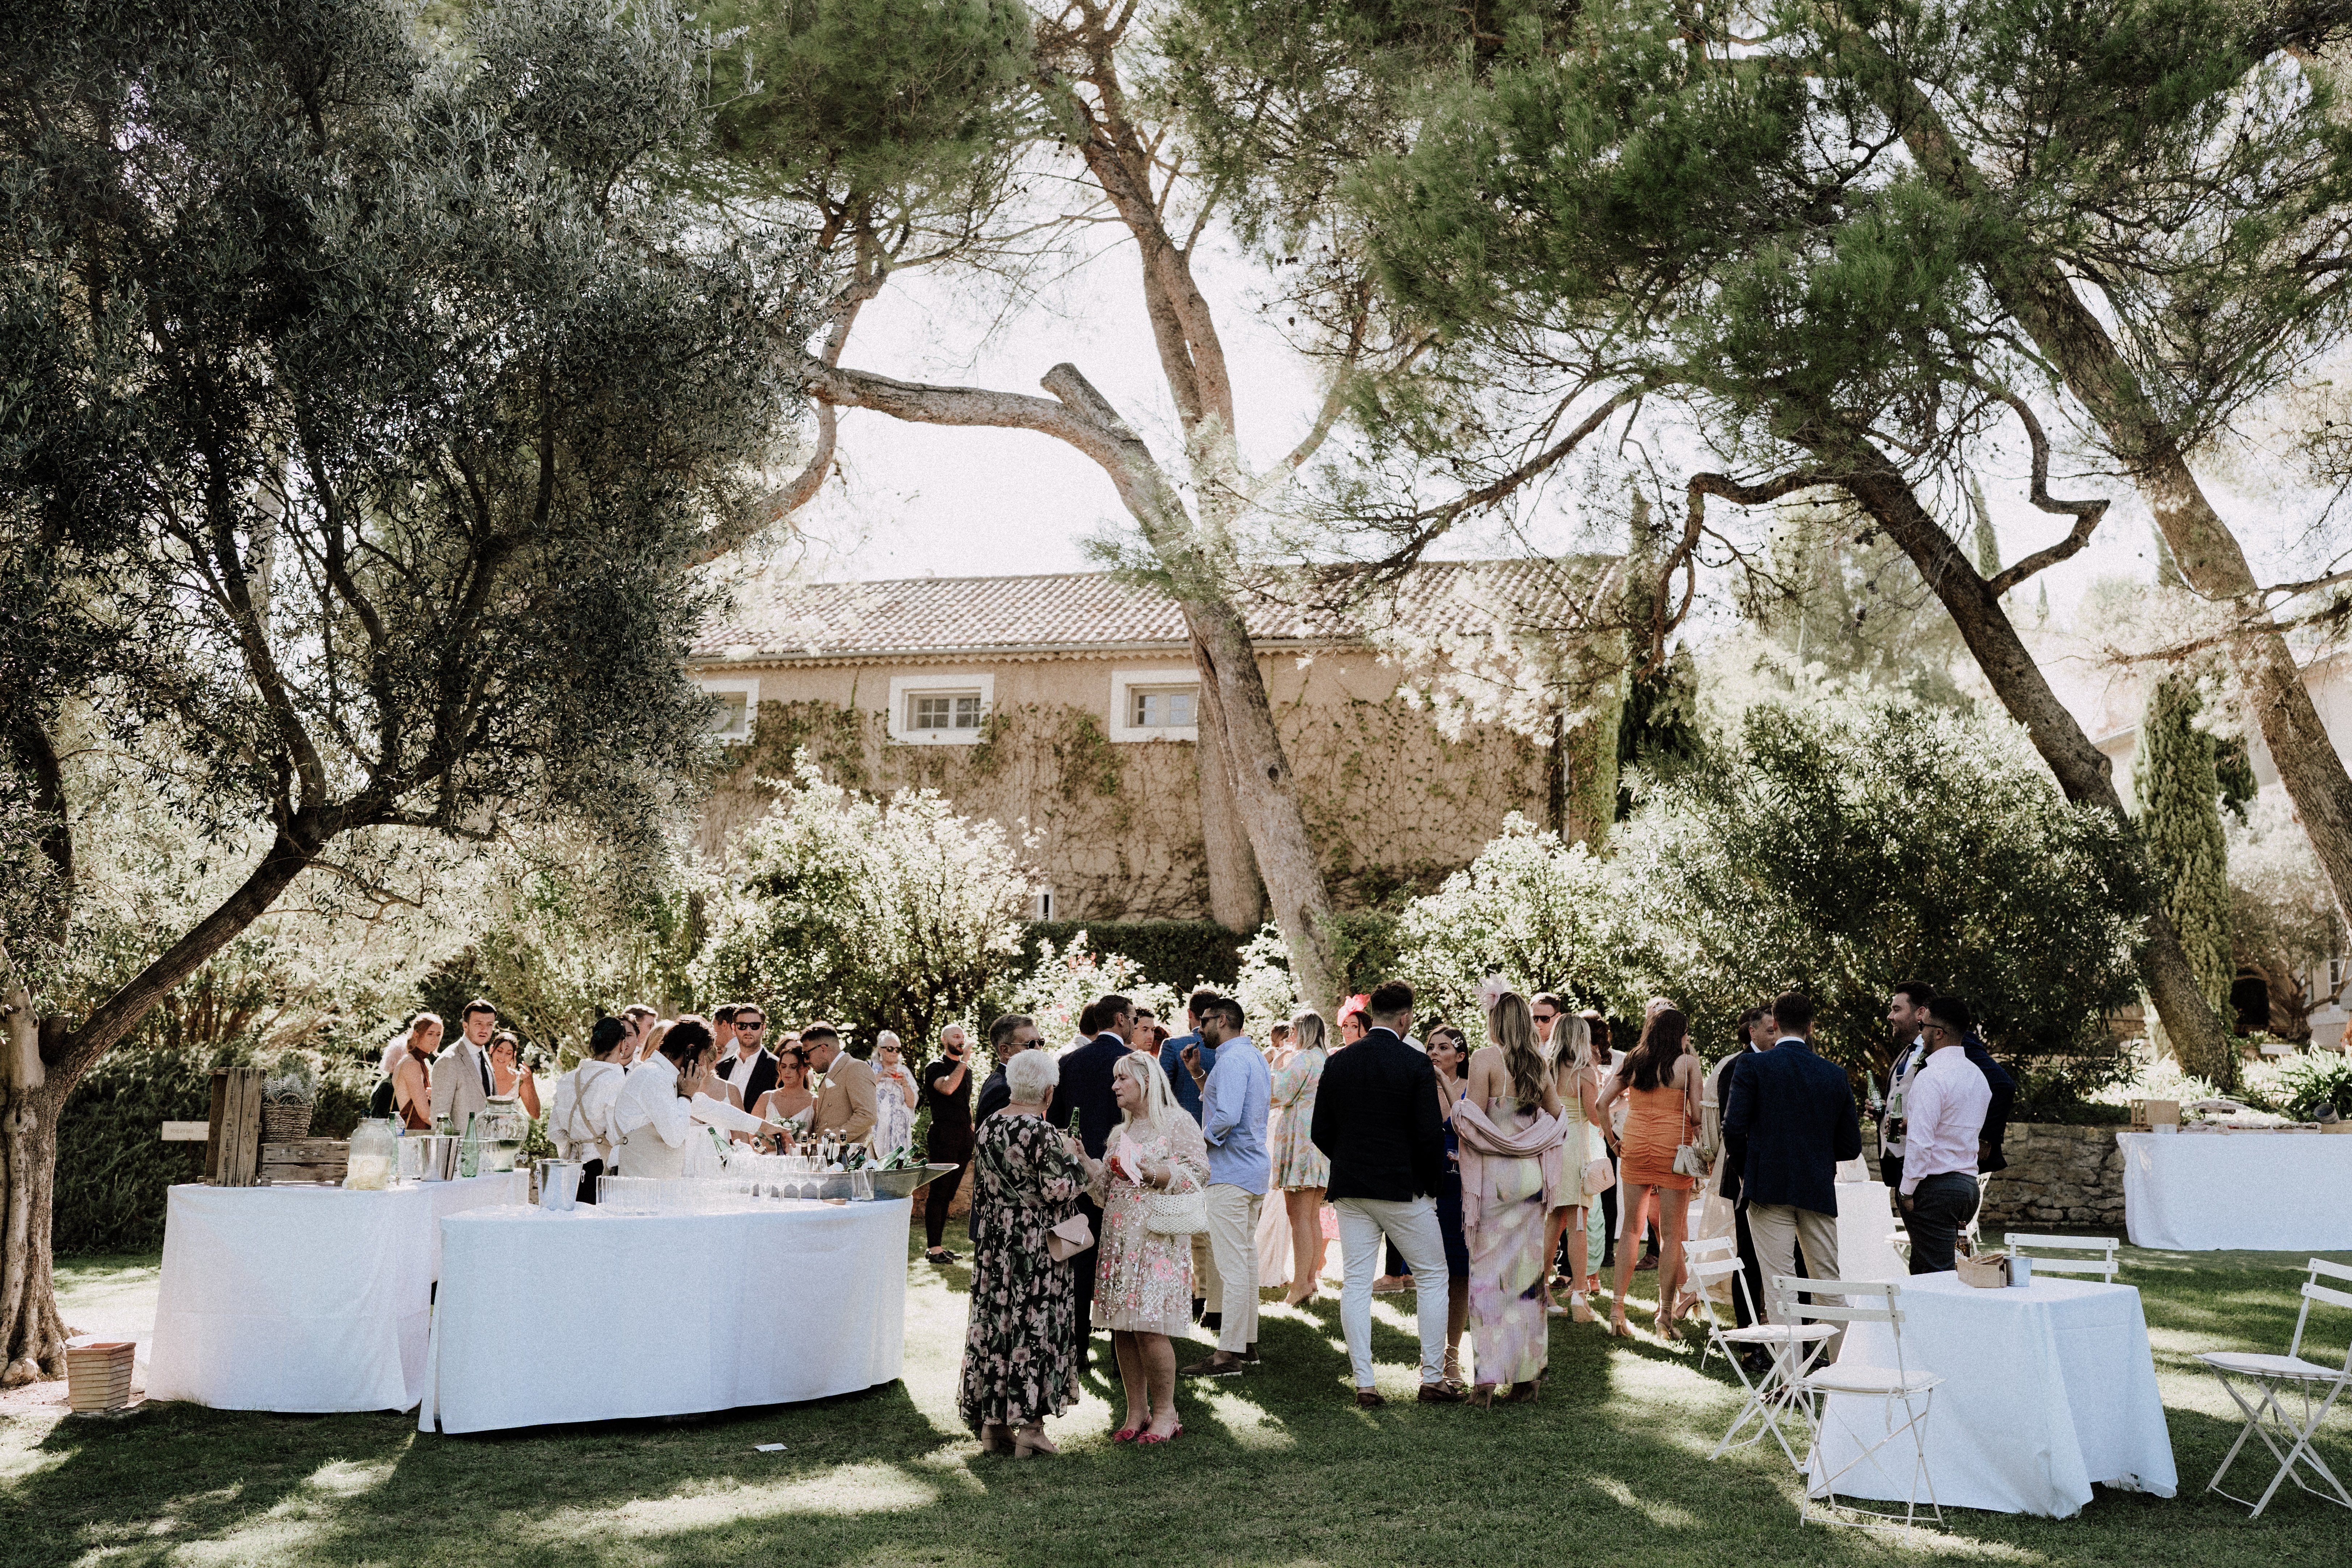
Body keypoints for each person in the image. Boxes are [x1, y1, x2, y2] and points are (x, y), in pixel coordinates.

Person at [1310, 981, 1464, 1407]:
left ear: (1372, 1013)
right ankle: (1432, 1378)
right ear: (1405, 1018)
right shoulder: (1414, 1063)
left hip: (1351, 1187)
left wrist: (1349, 1160)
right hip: (1403, 1188)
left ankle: (1365, 1383)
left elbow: (1319, 1130)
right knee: (1433, 1275)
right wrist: (1432, 1184)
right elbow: (1427, 1133)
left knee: (1356, 1282)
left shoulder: (1338, 1062)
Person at [957, 1045, 1103, 1458]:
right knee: (1034, 1326)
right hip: (1037, 1246)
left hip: (996, 1244)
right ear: (1048, 1091)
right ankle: (1032, 1428)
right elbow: (1058, 1189)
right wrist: (1076, 1161)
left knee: (997, 1327)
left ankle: (993, 1426)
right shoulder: (1041, 1132)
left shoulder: (986, 1127)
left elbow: (983, 1191)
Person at [1722, 992, 1862, 1344]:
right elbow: (1850, 1147)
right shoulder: (1833, 1074)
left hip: (1767, 1188)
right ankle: (1841, 1380)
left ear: (1775, 1024)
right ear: (1811, 1027)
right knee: (1827, 1285)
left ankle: (1791, 1385)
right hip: (1815, 1187)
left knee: (1779, 1286)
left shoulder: (1753, 1066)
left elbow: (1733, 1129)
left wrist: (1745, 1172)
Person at [1093, 1051, 1209, 1443]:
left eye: (1122, 1078)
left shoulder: (1176, 1121)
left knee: (1148, 1327)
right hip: (1119, 1239)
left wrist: (1152, 1173)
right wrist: (1086, 1164)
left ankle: (1166, 1413)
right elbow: (1103, 1193)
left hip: (1157, 1238)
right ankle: (1135, 1410)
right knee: (1123, 1329)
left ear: (1146, 1080)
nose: (1115, 1085)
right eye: (1114, 1079)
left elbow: (1198, 1173)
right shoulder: (1118, 1132)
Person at [1455, 994, 1566, 1402]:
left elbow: (1473, 1119)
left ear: (1495, 1022)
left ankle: (1485, 1383)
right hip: (1529, 1176)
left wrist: (1460, 1114)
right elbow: (1557, 1116)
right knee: (1526, 1280)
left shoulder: (1484, 1059)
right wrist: (1529, 1138)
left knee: (1488, 1278)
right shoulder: (1537, 1063)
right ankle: (1527, 1380)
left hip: (1496, 1178)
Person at [1177, 995, 1270, 1378]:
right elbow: (1230, 1105)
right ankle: (1245, 1344)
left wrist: (1195, 1146)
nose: (1199, 1029)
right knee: (1245, 1261)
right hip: (1251, 1172)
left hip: (1229, 1173)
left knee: (1232, 1265)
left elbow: (1227, 1117)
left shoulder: (1231, 1060)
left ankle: (1228, 1354)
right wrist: (1198, 1075)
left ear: (1224, 1020)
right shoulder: (1252, 1056)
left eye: (1205, 1021)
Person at [1597, 1006, 1703, 1336]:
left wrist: (1614, 1143)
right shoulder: (1687, 1063)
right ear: (1680, 1033)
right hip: (1674, 1148)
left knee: (1631, 1227)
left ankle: (1617, 1310)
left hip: (1636, 1145)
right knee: (1672, 1234)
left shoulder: (1634, 1059)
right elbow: (1698, 1115)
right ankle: (1665, 1317)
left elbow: (1602, 1105)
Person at [1056, 996, 1135, 1383]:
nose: (1135, 1025)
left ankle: (1076, 1350)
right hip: (1124, 1177)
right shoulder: (1133, 1065)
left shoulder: (1068, 1062)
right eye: (1134, 1019)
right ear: (1120, 1020)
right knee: (1121, 1263)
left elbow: (1055, 1125)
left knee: (1081, 1262)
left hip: (1078, 1177)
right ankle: (1123, 1359)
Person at [1900, 996, 1993, 1274]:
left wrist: (1906, 1190)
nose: (1921, 1032)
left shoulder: (1931, 1077)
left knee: (1934, 1275)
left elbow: (1920, 1143)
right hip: (1967, 1186)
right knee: (1940, 1268)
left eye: (1923, 1026)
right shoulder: (1978, 1076)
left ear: (1938, 1032)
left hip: (1936, 1188)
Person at [1706, 1006, 1778, 1335]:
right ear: (1753, 1032)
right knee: (1747, 1259)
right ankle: (1750, 1340)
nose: (1776, 1036)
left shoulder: (1777, 1064)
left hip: (1775, 1176)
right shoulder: (1735, 1067)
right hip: (1743, 1175)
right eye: (1770, 1030)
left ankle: (1774, 1326)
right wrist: (1746, 1175)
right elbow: (1733, 1128)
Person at [1541, 1006, 1605, 1321]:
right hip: (1575, 1148)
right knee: (1578, 1221)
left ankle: (1539, 1289)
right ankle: (1580, 1296)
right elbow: (1595, 1117)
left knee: (1553, 1221)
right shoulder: (1585, 1072)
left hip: (1550, 1148)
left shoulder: (1545, 1069)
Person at [1269, 1010, 1333, 1305]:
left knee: (1299, 1218)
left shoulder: (1304, 1058)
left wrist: (1275, 1063)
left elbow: (1279, 1093)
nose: (1289, 1038)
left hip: (1302, 1142)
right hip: (1320, 1142)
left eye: (1293, 1031)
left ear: (1303, 1031)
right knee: (1311, 1216)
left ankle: (1299, 1285)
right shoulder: (1326, 1058)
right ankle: (1310, 1280)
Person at [1424, 1025, 1474, 1386]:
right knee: (1429, 1276)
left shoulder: (1473, 1090)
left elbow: (1469, 1128)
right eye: (1430, 1046)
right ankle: (1429, 1353)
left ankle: (1451, 1356)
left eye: (1443, 1047)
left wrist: (1443, 1081)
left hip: (1459, 1190)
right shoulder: (1417, 1088)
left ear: (1459, 1056)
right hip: (1424, 1189)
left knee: (1459, 1275)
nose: (1434, 1051)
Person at [613, 1014, 718, 1177]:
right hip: (638, 1184)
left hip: (654, 1183)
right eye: (702, 1055)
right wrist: (685, 1096)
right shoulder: (653, 1076)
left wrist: (762, 1126)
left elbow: (709, 1108)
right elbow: (675, 1137)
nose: (703, 1063)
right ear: (691, 1050)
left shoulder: (666, 1076)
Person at [919, 1026, 980, 1266]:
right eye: (956, 1037)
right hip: (943, 1135)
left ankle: (939, 1246)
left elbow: (964, 1101)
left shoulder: (967, 1070)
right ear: (944, 1040)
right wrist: (964, 1060)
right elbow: (947, 1088)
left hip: (964, 1136)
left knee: (950, 1195)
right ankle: (934, 1249)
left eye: (962, 1037)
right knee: (939, 1193)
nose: (961, 1040)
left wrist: (972, 1126)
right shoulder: (935, 1067)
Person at [550, 1016, 629, 1201]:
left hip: (569, 1168)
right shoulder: (616, 1081)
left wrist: (576, 1145)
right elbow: (618, 1136)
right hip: (602, 1170)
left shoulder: (568, 1079)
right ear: (622, 1045)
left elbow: (554, 1132)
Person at [1877, 981, 1934, 1192]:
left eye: (1897, 1010)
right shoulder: (1906, 1053)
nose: (1890, 1017)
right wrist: (1882, 1111)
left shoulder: (1937, 1052)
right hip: (1896, 1163)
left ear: (1921, 1013)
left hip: (1926, 1167)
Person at [430, 998, 499, 1131]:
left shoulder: (483, 1054)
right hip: (461, 1148)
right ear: (465, 1026)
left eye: (489, 1024)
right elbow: (440, 1118)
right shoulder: (449, 1060)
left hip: (488, 1145)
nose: (485, 1030)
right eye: (479, 1024)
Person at [805, 1024, 878, 1146]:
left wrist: (827, 1140)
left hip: (853, 1157)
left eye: (807, 1054)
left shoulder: (856, 1068)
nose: (807, 1061)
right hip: (834, 1156)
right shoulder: (830, 1073)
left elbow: (867, 1116)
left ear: (823, 1049)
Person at [1159, 990, 1220, 1121]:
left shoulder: (1172, 1045)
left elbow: (1160, 1091)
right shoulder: (1226, 1048)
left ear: (1189, 1013)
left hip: (1182, 1126)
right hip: (1221, 1129)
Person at [389, 1012, 442, 1131]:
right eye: (430, 1034)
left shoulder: (421, 1063)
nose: (436, 1039)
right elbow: (425, 1115)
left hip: (418, 1133)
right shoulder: (412, 1064)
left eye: (438, 1035)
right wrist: (446, 1128)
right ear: (416, 1035)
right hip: (414, 1135)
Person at [974, 1017, 1030, 1127]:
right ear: (1005, 1050)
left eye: (1041, 1042)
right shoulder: (1003, 1088)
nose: (1038, 1049)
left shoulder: (1009, 1081)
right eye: (1030, 1044)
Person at [872, 1032, 918, 1161]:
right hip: (875, 1127)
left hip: (897, 1130)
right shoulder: (870, 1069)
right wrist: (881, 1075)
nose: (894, 1053)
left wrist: (905, 1084)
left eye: (898, 1050)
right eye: (890, 1049)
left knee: (895, 1165)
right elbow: (862, 1091)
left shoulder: (904, 1072)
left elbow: (911, 1104)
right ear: (880, 1050)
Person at [752, 1046, 814, 1137]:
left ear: (806, 1070)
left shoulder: (815, 1102)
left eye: (793, 1067)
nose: (787, 1071)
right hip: (765, 1151)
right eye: (784, 1067)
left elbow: (819, 1137)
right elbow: (752, 1133)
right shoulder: (766, 1097)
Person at [727, 1005, 779, 1112]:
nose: (748, 1030)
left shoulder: (777, 1068)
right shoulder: (722, 1067)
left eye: (754, 1026)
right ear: (734, 1029)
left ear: (763, 1029)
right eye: (742, 1026)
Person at [487, 1031, 542, 1118]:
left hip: (510, 1131)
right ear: (492, 1050)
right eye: (500, 1051)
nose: (503, 1056)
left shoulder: (519, 1080)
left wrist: (530, 1083)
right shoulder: (481, 1074)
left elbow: (536, 1115)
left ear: (514, 1055)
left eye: (508, 1053)